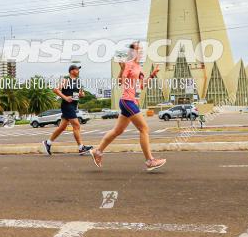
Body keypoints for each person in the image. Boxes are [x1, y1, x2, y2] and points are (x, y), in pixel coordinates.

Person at [90, 42, 166, 172]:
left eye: (141, 50)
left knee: (117, 131)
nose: (140, 52)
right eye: (138, 50)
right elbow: (120, 82)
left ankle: (98, 151)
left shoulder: (138, 68)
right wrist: (122, 70)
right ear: (132, 52)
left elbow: (141, 86)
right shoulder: (129, 64)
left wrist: (153, 74)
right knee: (144, 128)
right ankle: (150, 161)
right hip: (127, 101)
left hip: (130, 102)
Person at [43, 64, 93, 156]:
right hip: (67, 105)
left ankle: (48, 143)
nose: (78, 71)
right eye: (77, 69)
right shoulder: (66, 80)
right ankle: (81, 148)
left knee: (62, 127)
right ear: (71, 71)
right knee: (77, 125)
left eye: (78, 70)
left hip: (73, 105)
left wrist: (81, 94)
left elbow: (81, 94)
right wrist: (65, 97)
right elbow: (56, 90)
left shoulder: (77, 82)